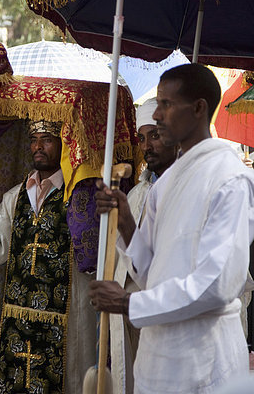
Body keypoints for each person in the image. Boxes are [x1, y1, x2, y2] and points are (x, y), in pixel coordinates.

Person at [90, 64, 254, 394]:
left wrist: (128, 304)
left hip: (204, 362)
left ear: (198, 108)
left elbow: (217, 284)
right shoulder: (164, 185)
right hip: (158, 360)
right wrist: (124, 221)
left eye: (166, 104)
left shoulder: (229, 178)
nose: (159, 114)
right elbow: (153, 274)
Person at [0, 118, 98, 394]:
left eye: (47, 140)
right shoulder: (15, 196)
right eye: (34, 140)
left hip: (66, 314)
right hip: (19, 317)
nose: (38, 147)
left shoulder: (79, 196)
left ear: (63, 144)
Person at [111, 97, 178, 394]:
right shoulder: (137, 193)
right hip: (132, 317)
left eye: (155, 135)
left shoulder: (189, 188)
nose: (146, 146)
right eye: (141, 138)